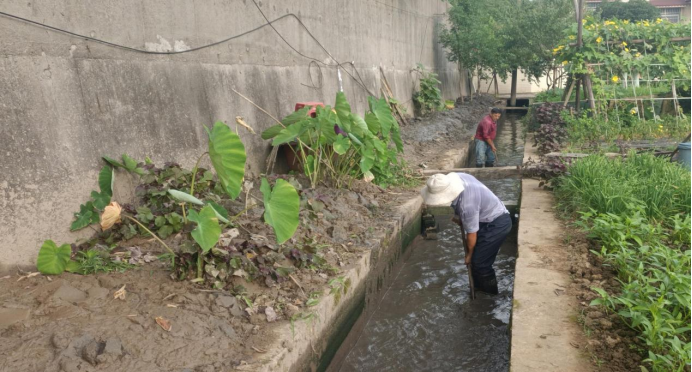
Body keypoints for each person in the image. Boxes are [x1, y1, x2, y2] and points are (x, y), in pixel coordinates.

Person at [421, 173, 512, 295]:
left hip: (497, 223)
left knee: (480, 263)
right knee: (477, 261)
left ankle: (490, 295)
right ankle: (478, 289)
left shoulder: (467, 205)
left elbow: (471, 234)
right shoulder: (455, 178)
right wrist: (460, 219)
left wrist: (469, 255)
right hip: (484, 217)